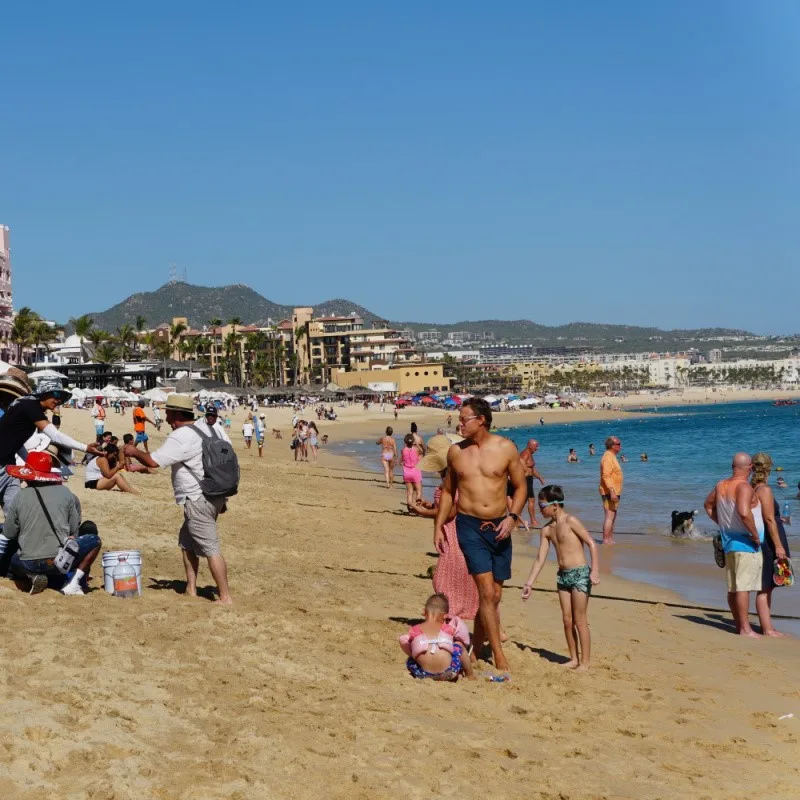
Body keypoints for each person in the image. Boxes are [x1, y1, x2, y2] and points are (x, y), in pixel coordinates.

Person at [435, 397, 526, 675]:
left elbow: (521, 488)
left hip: (500, 526)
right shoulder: (455, 453)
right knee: (485, 592)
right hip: (469, 526)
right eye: (459, 419)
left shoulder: (505, 448)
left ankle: (476, 642)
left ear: (481, 420)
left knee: (495, 595)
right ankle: (498, 656)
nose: (459, 423)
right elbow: (449, 491)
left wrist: (512, 518)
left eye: (464, 419)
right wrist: (438, 524)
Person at [124, 394, 234, 605]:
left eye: (167, 413)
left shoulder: (182, 435)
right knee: (187, 542)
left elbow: (154, 462)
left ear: (175, 414)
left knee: (210, 547)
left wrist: (133, 451)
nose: (165, 418)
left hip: (197, 497)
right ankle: (191, 588)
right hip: (214, 495)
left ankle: (225, 597)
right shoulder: (205, 429)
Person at [0, 451, 101, 596]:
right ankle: (75, 582)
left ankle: (31, 576)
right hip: (58, 562)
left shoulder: (20, 496)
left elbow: (9, 533)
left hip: (29, 562)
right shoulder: (66, 493)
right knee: (94, 540)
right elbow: (73, 531)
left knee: (15, 559)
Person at [521, 485, 600, 670]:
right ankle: (573, 658)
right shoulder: (547, 530)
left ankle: (585, 662)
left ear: (555, 505)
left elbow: (591, 543)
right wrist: (529, 583)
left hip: (580, 574)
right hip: (563, 576)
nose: (540, 509)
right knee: (566, 620)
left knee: (580, 619)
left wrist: (594, 570)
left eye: (542, 505)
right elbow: (540, 558)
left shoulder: (571, 521)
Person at [0, 377, 101, 517]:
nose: (59, 400)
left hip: (8, 465)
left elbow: (16, 442)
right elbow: (55, 435)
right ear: (45, 393)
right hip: (2, 464)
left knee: (15, 511)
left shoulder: (29, 407)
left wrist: (30, 463)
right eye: (57, 395)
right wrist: (85, 448)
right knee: (14, 509)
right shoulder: (30, 407)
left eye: (61, 397)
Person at [413, 435, 479, 620]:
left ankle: (452, 614)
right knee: (463, 579)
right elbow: (446, 509)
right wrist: (430, 506)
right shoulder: (452, 475)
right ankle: (454, 615)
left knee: (444, 578)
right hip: (451, 532)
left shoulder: (457, 478)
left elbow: (451, 511)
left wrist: (423, 513)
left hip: (456, 534)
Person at [704, 453, 763, 637]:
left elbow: (708, 505)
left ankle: (739, 626)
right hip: (745, 544)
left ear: (733, 466)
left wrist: (723, 524)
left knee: (734, 587)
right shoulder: (744, 487)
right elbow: (744, 513)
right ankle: (745, 629)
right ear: (750, 467)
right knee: (743, 587)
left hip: (729, 541)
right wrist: (755, 535)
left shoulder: (721, 484)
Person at [751, 452, 790, 637]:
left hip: (763, 537)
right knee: (766, 585)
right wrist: (779, 546)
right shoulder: (764, 489)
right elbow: (768, 519)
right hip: (770, 539)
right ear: (769, 468)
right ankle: (767, 628)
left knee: (767, 585)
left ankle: (767, 626)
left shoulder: (753, 488)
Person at [398, 593, 474, 681]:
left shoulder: (415, 630)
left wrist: (414, 654)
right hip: (449, 672)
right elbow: (462, 636)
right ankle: (470, 675)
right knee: (458, 645)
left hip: (422, 674)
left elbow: (403, 640)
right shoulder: (448, 628)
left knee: (411, 657)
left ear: (424, 612)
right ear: (445, 616)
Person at [507, 439, 544, 528]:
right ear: (530, 445)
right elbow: (520, 467)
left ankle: (521, 520)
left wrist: (539, 477)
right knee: (528, 500)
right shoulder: (525, 454)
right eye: (536, 446)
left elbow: (531, 468)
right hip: (525, 479)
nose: (537, 448)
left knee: (528, 500)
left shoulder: (529, 454)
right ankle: (531, 520)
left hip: (529, 479)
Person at [599, 436, 623, 544]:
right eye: (619, 444)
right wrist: (612, 491)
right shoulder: (608, 457)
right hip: (609, 491)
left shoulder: (611, 456)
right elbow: (606, 476)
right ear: (612, 446)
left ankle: (610, 538)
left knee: (613, 515)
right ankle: (606, 540)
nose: (620, 446)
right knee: (609, 516)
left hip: (614, 490)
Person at [401, 433, 423, 511]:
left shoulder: (403, 450)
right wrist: (416, 444)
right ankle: (417, 506)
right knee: (418, 491)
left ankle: (409, 506)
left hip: (407, 472)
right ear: (413, 441)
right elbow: (422, 451)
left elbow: (402, 459)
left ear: (405, 442)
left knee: (410, 492)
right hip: (416, 472)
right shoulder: (416, 449)